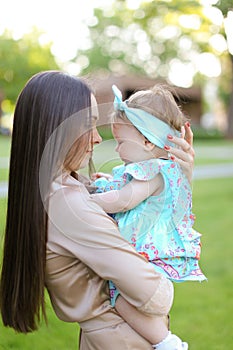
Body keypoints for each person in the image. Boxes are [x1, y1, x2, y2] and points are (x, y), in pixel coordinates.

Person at [0, 71, 195, 350]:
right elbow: (156, 296)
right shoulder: (70, 206)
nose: (97, 138)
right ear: (58, 128)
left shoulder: (59, 189)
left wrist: (178, 177)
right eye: (88, 126)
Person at [91, 84, 206, 349]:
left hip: (148, 262)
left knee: (120, 300)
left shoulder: (155, 170)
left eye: (120, 142)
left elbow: (124, 200)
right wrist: (110, 180)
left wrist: (88, 202)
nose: (117, 150)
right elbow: (127, 190)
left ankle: (167, 342)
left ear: (146, 141)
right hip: (144, 260)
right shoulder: (143, 169)